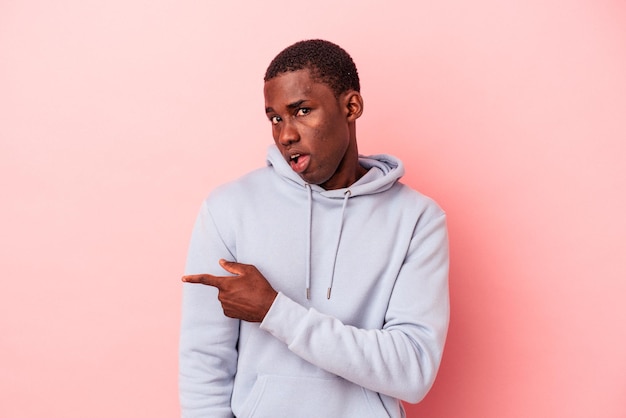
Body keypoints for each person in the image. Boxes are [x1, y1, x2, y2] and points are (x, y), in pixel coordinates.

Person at [179, 39, 450, 418]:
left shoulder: (417, 219)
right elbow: (204, 362)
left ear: (350, 106)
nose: (285, 134)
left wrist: (275, 312)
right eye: (275, 118)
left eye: (302, 110)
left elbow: (412, 370)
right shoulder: (230, 207)